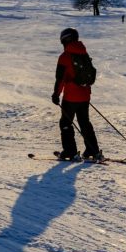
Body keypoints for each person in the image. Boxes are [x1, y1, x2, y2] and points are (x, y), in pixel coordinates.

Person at [51, 27, 101, 161]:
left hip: (71, 97)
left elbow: (60, 79)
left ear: (64, 40)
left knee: (65, 123)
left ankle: (70, 151)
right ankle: (92, 150)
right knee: (85, 123)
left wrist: (56, 95)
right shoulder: (83, 53)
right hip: (85, 95)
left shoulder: (65, 57)